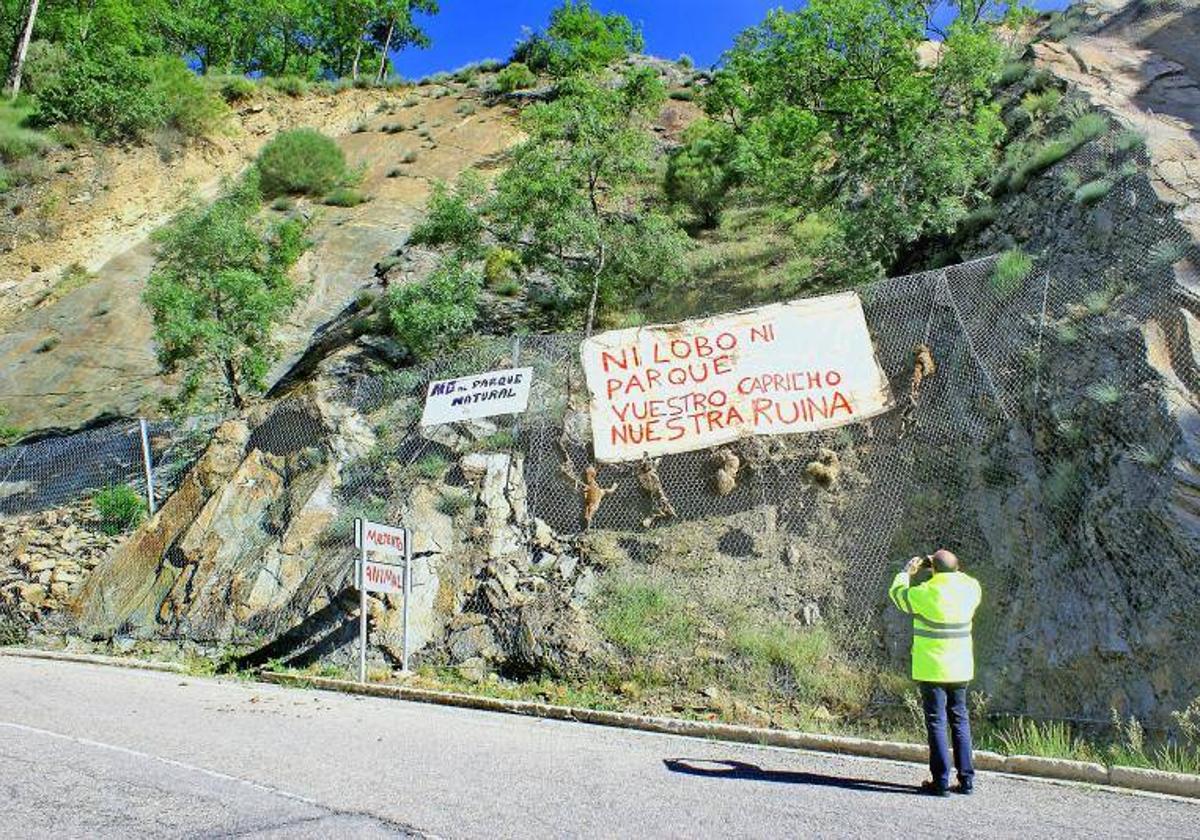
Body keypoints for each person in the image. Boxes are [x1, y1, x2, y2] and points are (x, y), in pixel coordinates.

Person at [888, 548, 982, 797]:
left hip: (933, 667)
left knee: (937, 721)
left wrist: (906, 572)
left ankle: (940, 781)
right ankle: (967, 780)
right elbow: (956, 573)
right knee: (960, 720)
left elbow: (898, 596)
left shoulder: (927, 592)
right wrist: (941, 568)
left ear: (934, 569)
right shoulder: (971, 588)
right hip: (961, 667)